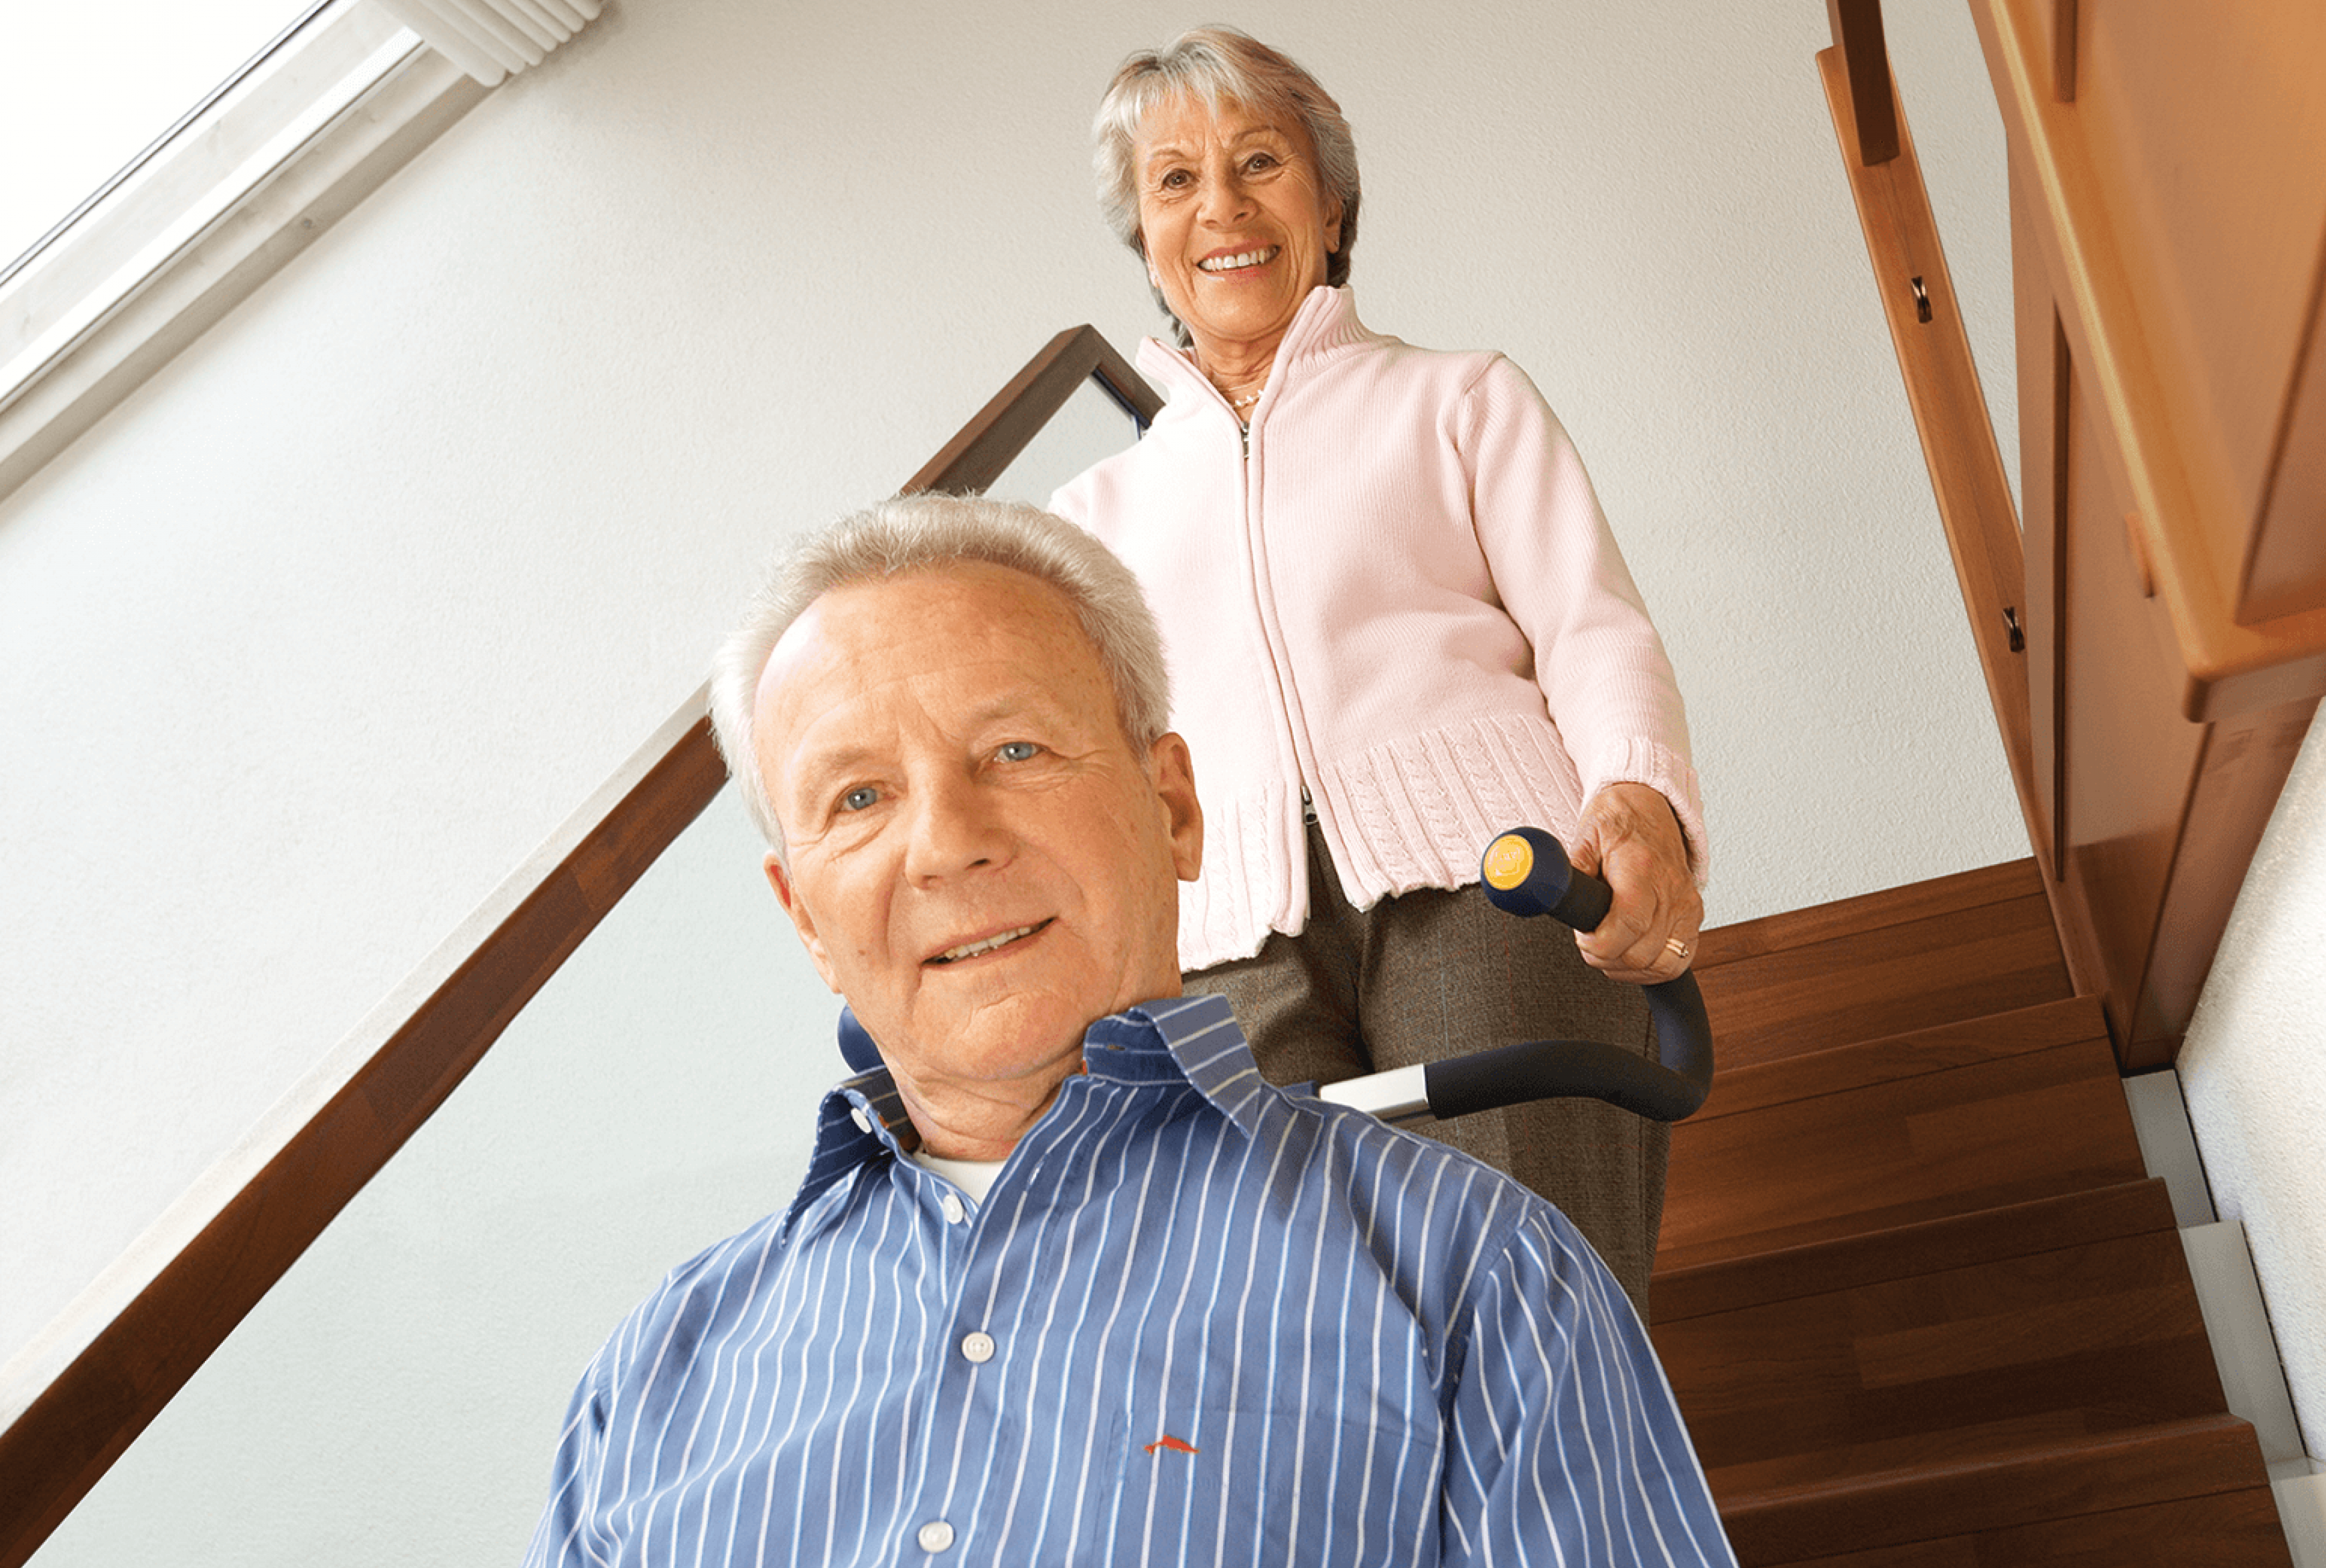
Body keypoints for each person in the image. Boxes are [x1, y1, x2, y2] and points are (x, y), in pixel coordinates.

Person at [520, 494, 1736, 1566]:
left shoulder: (1483, 1276)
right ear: (804, 920)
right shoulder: (649, 1383)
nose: (946, 841)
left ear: (1172, 808)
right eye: (858, 797)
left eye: (1014, 749)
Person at [1052, 27, 1707, 1315]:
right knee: (1302, 1346)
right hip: (1224, 941)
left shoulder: (1460, 400)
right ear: (1142, 234)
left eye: (1259, 162)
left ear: (1330, 203)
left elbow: (1592, 625)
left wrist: (1640, 808)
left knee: (1534, 1301)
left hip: (1491, 884)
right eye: (1175, 181)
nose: (1222, 207)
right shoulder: (1090, 514)